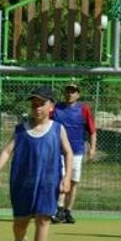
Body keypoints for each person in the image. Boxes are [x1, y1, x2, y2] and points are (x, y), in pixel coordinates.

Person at [0, 86, 73, 241]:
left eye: (41, 104)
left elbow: (68, 152)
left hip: (48, 183)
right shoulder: (21, 129)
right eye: (34, 104)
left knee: (43, 219)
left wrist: (66, 177)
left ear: (51, 106)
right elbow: (7, 151)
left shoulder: (58, 129)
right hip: (23, 183)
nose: (37, 108)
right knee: (20, 223)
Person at [51, 82, 97, 224]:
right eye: (68, 91)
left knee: (73, 182)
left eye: (73, 91)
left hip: (77, 151)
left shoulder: (84, 110)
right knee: (62, 179)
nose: (70, 94)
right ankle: (58, 209)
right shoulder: (56, 109)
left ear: (78, 94)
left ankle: (67, 211)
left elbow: (92, 131)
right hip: (58, 151)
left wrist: (92, 148)